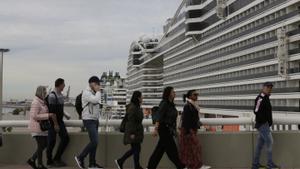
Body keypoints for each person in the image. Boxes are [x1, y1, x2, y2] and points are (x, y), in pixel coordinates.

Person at [147, 86, 185, 169]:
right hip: (164, 129)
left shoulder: (171, 104)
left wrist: (175, 131)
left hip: (169, 130)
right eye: (173, 92)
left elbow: (172, 120)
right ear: (168, 94)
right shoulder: (164, 103)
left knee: (160, 150)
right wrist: (156, 129)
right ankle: (180, 166)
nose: (174, 93)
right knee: (172, 150)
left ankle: (150, 167)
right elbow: (159, 116)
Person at [75, 76, 104, 169]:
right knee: (95, 142)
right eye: (96, 84)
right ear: (91, 83)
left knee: (94, 142)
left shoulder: (94, 92)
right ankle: (80, 157)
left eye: (98, 84)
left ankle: (92, 163)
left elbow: (98, 103)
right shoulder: (86, 93)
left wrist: (97, 92)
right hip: (88, 119)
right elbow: (95, 100)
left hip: (95, 119)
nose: (98, 86)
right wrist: (99, 91)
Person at [28, 86, 59, 169]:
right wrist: (48, 115)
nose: (45, 93)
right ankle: (40, 165)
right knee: (41, 145)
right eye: (44, 92)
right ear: (40, 92)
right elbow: (34, 116)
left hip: (42, 127)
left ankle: (32, 160)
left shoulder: (42, 101)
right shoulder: (36, 102)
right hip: (37, 127)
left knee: (44, 145)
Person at [179, 90, 211, 169]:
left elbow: (195, 119)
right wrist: (189, 131)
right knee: (196, 147)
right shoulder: (188, 106)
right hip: (189, 130)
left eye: (197, 94)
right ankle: (197, 165)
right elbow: (186, 120)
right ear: (190, 96)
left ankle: (190, 165)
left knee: (189, 149)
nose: (197, 96)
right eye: (195, 95)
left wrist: (202, 125)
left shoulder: (193, 105)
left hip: (190, 130)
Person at [252, 82, 280, 169]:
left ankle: (255, 165)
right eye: (267, 87)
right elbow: (256, 110)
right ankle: (270, 164)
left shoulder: (266, 97)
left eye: (270, 88)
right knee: (270, 142)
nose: (269, 89)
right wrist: (263, 120)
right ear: (263, 88)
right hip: (262, 124)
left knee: (259, 146)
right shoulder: (261, 97)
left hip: (264, 124)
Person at [115, 91, 144, 169]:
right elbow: (131, 122)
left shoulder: (136, 106)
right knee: (136, 150)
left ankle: (121, 161)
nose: (142, 98)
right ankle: (135, 166)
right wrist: (132, 133)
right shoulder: (133, 108)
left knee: (135, 149)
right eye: (141, 96)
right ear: (138, 98)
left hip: (136, 132)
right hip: (133, 132)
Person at [47, 78, 69, 167]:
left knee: (66, 139)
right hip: (53, 123)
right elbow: (52, 112)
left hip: (60, 121)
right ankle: (49, 161)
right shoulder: (52, 96)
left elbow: (60, 109)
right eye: (63, 84)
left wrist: (66, 115)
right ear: (59, 85)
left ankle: (56, 158)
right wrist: (55, 124)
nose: (64, 86)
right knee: (51, 142)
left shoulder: (61, 95)